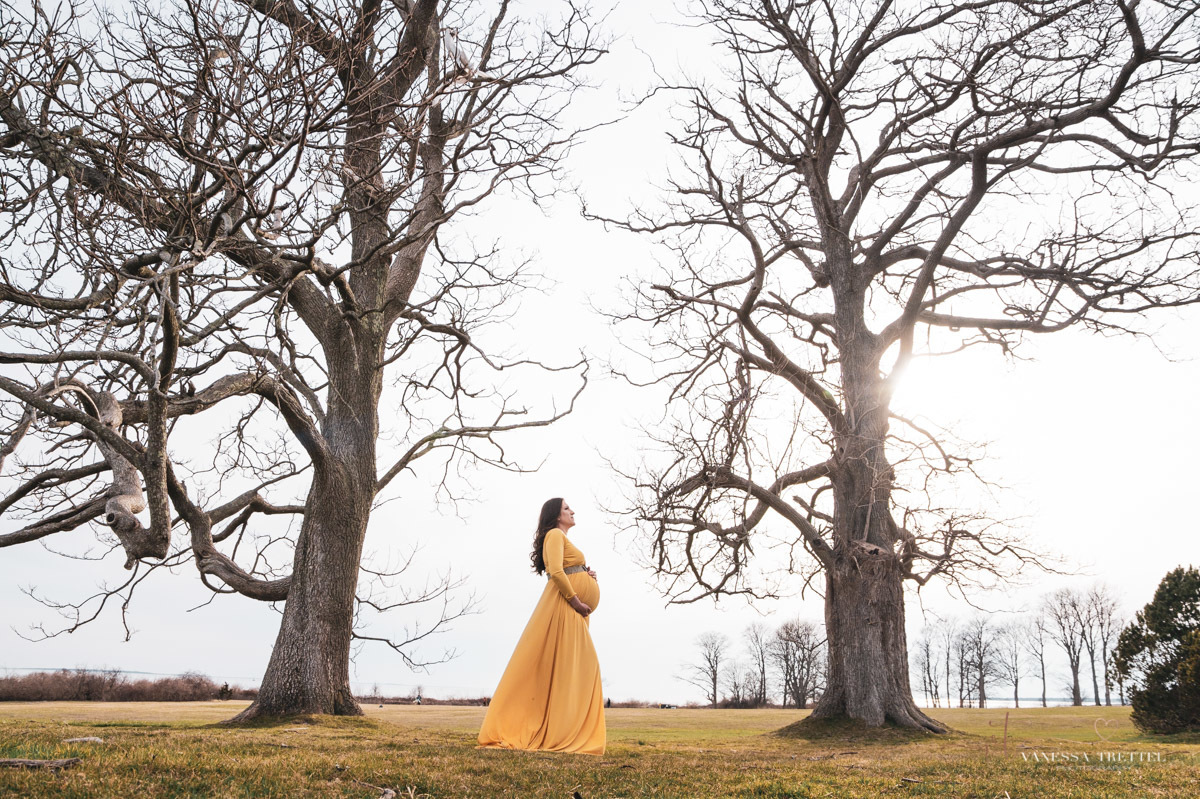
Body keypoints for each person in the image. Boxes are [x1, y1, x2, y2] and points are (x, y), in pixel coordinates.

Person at [478, 498, 605, 755]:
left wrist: (584, 574)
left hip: (572, 610)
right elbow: (556, 572)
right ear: (556, 515)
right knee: (578, 667)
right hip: (566, 608)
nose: (572, 511)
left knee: (569, 668)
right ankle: (562, 732)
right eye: (567, 508)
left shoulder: (559, 537)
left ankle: (565, 729)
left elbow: (565, 569)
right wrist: (577, 601)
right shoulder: (555, 534)